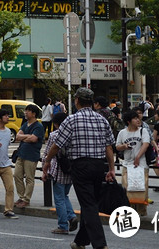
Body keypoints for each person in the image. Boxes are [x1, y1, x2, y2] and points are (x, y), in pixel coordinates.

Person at [43, 87, 116, 249]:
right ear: (91, 102)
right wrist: (111, 168)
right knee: (89, 203)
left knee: (89, 204)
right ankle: (80, 241)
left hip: (80, 166)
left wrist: (47, 161)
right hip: (99, 165)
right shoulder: (101, 120)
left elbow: (57, 145)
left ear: (77, 101)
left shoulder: (71, 120)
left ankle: (100, 244)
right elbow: (109, 147)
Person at [41, 111, 77, 235]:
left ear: (56, 124)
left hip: (58, 170)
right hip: (72, 170)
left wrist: (45, 169)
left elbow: (47, 154)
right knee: (65, 195)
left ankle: (63, 225)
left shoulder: (55, 135)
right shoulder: (74, 134)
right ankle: (71, 216)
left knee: (59, 198)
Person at [13, 104, 45, 209]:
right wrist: (27, 137)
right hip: (21, 153)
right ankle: (21, 197)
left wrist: (24, 137)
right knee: (17, 175)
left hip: (31, 155)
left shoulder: (38, 126)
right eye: (25, 111)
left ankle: (26, 199)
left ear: (34, 114)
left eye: (28, 111)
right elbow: (18, 136)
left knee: (29, 178)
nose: (25, 113)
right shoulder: (25, 124)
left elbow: (34, 139)